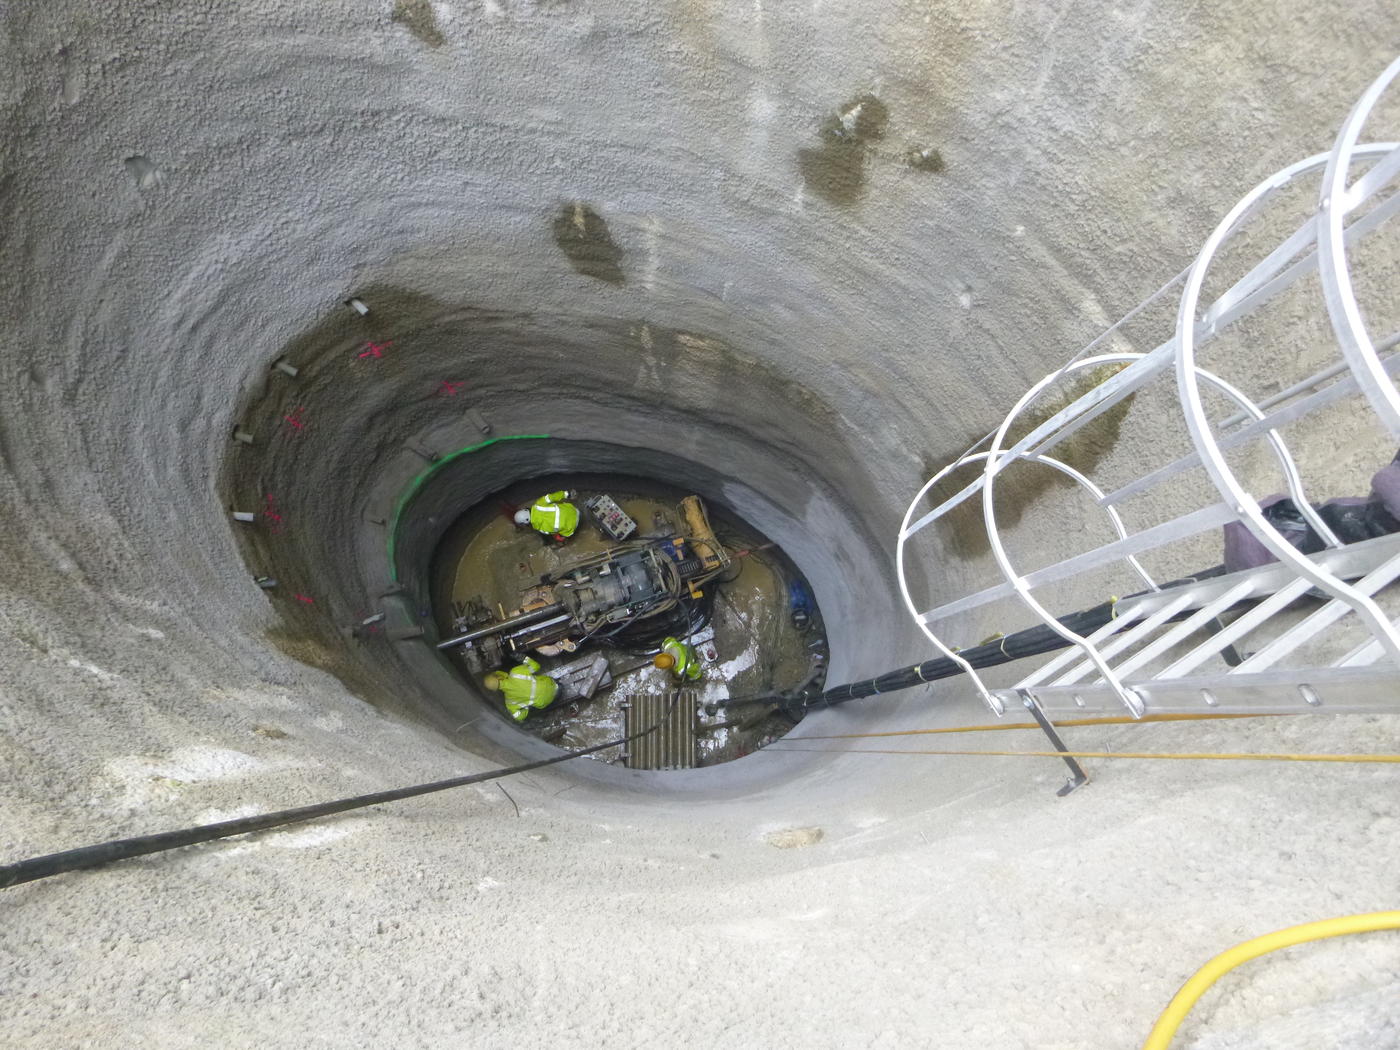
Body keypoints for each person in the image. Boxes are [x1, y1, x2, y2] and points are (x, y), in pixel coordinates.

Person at [483, 656, 559, 722]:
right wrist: (524, 658)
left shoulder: (509, 702)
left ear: (496, 689)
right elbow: (536, 666)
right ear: (499, 676)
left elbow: (518, 717)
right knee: (540, 679)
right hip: (552, 684)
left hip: (546, 702)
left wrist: (526, 707)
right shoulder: (515, 672)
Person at [513, 490, 580, 539]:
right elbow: (552, 497)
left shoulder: (542, 529)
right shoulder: (539, 503)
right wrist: (567, 494)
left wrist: (560, 537)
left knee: (559, 536)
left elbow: (554, 532)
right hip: (572, 509)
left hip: (573, 526)